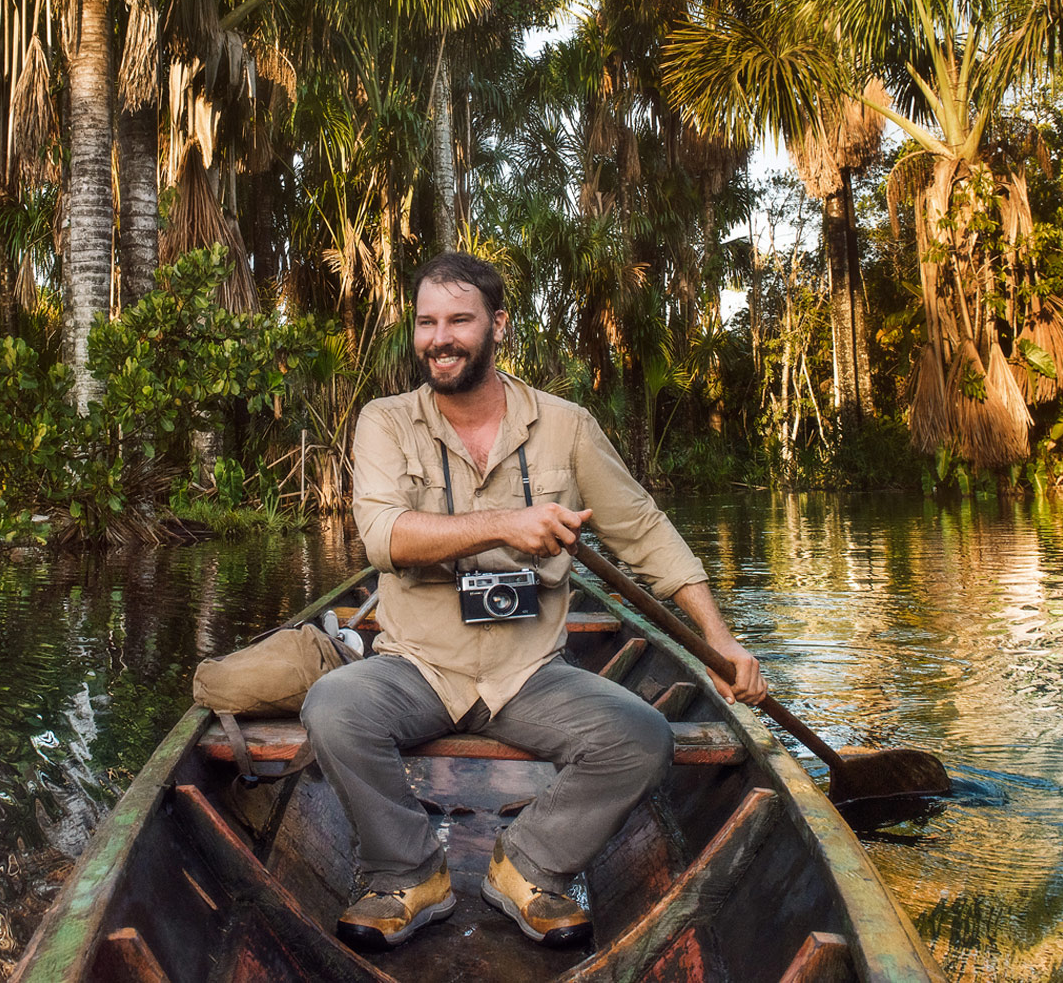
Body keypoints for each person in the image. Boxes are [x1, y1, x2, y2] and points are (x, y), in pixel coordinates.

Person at [302, 251, 766, 953]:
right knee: (332, 707)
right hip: (418, 664)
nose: (440, 336)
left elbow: (643, 532)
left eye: (459, 318)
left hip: (531, 673)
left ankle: (530, 862)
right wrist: (504, 523)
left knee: (643, 736)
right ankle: (409, 871)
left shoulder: (566, 426)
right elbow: (381, 536)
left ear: (499, 325)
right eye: (427, 321)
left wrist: (721, 639)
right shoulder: (385, 421)